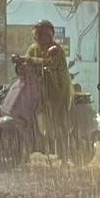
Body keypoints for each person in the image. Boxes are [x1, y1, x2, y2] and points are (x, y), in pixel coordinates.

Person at [23, 19, 72, 152]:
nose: (42, 36)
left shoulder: (56, 50)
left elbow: (49, 63)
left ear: (50, 35)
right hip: (37, 89)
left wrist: (30, 60)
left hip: (57, 89)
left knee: (58, 120)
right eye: (39, 33)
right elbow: (27, 61)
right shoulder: (33, 49)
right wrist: (20, 62)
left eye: (45, 33)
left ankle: (63, 154)